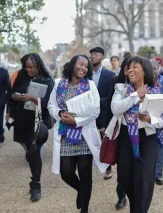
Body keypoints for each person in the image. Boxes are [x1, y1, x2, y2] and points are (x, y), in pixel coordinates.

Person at [48, 55, 108, 213]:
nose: (83, 68)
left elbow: (95, 110)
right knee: (66, 173)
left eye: (86, 66)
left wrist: (76, 121)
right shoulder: (58, 83)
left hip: (84, 135)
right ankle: (81, 190)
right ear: (73, 64)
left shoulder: (90, 85)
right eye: (80, 64)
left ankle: (85, 209)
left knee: (85, 172)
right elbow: (51, 106)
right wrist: (60, 113)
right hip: (65, 135)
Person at [106, 56, 163, 213]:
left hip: (147, 138)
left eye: (135, 67)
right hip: (126, 137)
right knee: (125, 178)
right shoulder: (121, 88)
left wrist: (149, 118)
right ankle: (136, 206)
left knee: (144, 180)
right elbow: (115, 108)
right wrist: (135, 96)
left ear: (144, 71)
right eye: (129, 68)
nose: (130, 70)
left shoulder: (156, 91)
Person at [10, 53, 54, 201]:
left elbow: (50, 102)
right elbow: (11, 93)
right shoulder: (21, 77)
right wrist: (15, 97)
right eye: (26, 67)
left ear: (38, 66)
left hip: (37, 122)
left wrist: (32, 98)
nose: (28, 70)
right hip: (22, 120)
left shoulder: (47, 80)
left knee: (34, 152)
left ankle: (35, 186)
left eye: (31, 67)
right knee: (29, 150)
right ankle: (29, 152)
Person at [103, 57, 130, 210]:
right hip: (119, 130)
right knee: (121, 166)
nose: (130, 71)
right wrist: (105, 126)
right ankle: (121, 195)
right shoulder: (116, 83)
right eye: (127, 67)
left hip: (137, 132)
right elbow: (109, 105)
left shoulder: (142, 85)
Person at [89, 46, 116, 179]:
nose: (93, 56)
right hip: (88, 112)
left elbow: (111, 97)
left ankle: (107, 167)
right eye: (92, 54)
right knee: (89, 139)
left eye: (96, 54)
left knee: (105, 139)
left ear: (102, 57)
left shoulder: (110, 75)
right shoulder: (86, 75)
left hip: (104, 112)